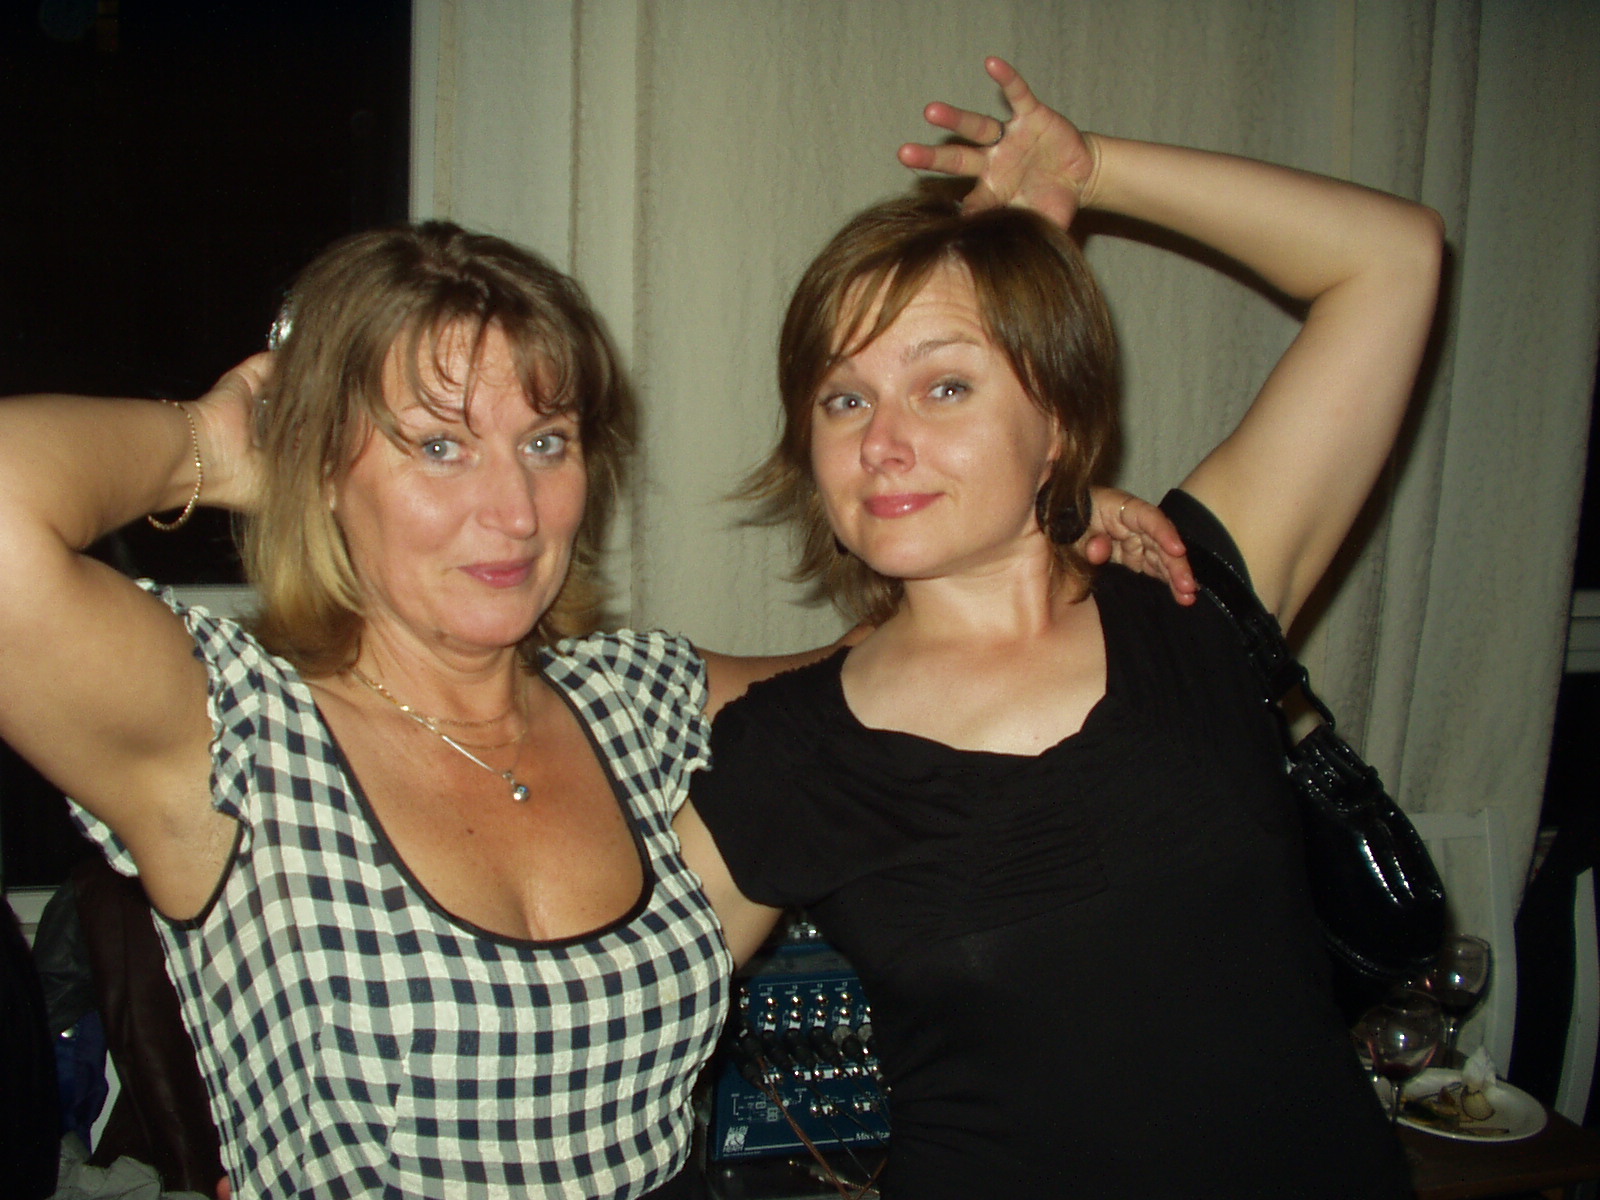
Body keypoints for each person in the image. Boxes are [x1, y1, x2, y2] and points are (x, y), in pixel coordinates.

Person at [0, 217, 1185, 1198]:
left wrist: (1029, 517)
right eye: (438, 447)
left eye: (546, 442)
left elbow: (892, 671)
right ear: (320, 468)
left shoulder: (641, 699)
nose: (514, 512)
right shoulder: (233, 733)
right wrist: (208, 446)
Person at [678, 58, 1444, 1199]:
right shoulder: (788, 750)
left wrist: (1097, 173)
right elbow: (610, 1035)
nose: (880, 441)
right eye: (844, 398)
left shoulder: (1191, 596)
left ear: (1058, 421)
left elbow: (1391, 259)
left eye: (944, 386)